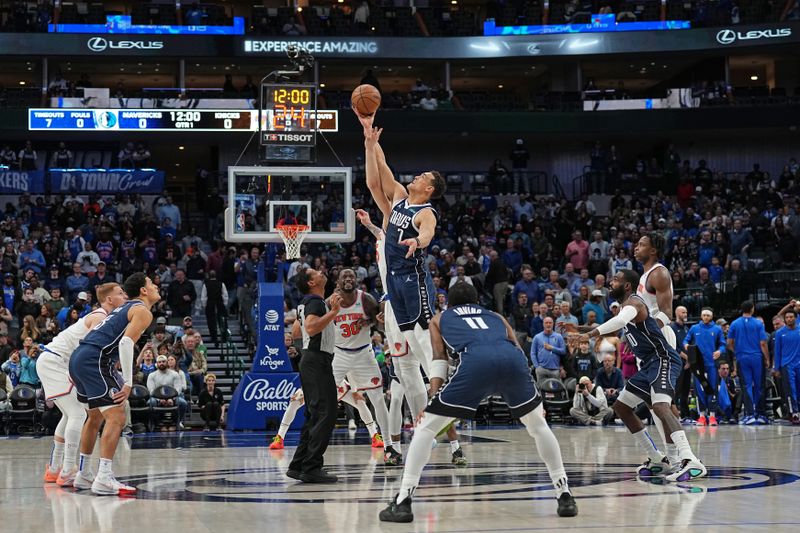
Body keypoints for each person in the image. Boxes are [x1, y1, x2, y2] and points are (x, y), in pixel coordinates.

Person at [378, 283, 577, 522]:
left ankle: (403, 501)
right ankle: (564, 494)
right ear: (476, 301)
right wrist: (531, 396)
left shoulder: (440, 318)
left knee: (426, 428)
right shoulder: (495, 316)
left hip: (475, 363)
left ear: (448, 302)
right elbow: (517, 348)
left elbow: (439, 360)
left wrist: (432, 397)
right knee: (538, 426)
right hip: (512, 361)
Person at [357, 111, 465, 455]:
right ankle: (406, 440)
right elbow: (378, 177)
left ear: (429, 188)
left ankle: (450, 414)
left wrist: (419, 241)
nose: (416, 176)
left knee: (425, 351)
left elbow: (429, 231)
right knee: (403, 372)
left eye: (423, 175)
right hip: (391, 294)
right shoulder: (399, 199)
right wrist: (369, 142)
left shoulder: (425, 211)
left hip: (412, 283)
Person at [576, 269, 706, 482]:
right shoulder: (625, 311)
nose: (611, 282)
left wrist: (589, 334)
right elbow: (615, 325)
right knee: (621, 407)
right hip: (648, 366)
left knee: (662, 406)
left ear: (627, 286)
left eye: (616, 279)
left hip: (663, 359)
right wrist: (579, 327)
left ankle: (690, 460)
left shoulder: (634, 303)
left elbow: (618, 322)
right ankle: (657, 459)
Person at [68, 272, 160, 495]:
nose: (156, 285)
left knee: (95, 416)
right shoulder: (141, 310)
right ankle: (104, 478)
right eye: (151, 283)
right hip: (95, 360)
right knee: (117, 415)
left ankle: (84, 474)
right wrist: (128, 383)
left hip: (80, 357)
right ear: (143, 291)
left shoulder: (125, 308)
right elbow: (127, 343)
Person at [38, 282, 126, 488]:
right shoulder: (101, 317)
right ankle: (68, 469)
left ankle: (54, 469)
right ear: (109, 299)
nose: (125, 297)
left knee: (70, 414)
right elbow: (93, 351)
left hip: (57, 362)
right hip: (56, 361)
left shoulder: (104, 317)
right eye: (120, 293)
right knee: (78, 414)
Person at [329, 268, 398, 463]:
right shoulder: (331, 302)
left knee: (377, 398)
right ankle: (316, 445)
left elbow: (380, 325)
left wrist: (376, 322)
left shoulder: (366, 299)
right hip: (340, 354)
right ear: (339, 281)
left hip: (363, 354)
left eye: (352, 276)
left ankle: (388, 445)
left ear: (357, 280)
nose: (349, 279)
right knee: (325, 397)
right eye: (345, 276)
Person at [287, 268, 342, 484]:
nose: (321, 271)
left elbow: (295, 332)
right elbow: (310, 328)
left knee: (314, 414)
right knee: (326, 414)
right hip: (317, 361)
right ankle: (312, 466)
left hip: (310, 360)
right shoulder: (315, 302)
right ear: (311, 282)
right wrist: (333, 312)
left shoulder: (309, 302)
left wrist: (326, 308)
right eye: (316, 272)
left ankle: (299, 464)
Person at [727, 300, 770, 425]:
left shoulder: (734, 324)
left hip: (742, 358)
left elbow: (729, 343)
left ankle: (749, 415)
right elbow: (763, 343)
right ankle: (760, 414)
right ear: (752, 309)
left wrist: (738, 351)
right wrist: (767, 358)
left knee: (746, 386)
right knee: (759, 385)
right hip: (756, 357)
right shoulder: (758, 323)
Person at [684, 308, 726, 426]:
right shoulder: (694, 328)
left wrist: (719, 351)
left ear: (711, 317)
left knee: (712, 389)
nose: (706, 317)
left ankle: (712, 416)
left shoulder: (717, 329)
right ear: (701, 316)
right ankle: (702, 416)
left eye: (708, 315)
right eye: (704, 315)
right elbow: (685, 340)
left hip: (711, 364)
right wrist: (686, 345)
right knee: (699, 390)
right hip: (698, 364)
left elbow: (723, 344)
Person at [773, 309, 800, 425]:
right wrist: (777, 368)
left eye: (791, 317)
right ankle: (794, 413)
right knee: (790, 390)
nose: (789, 319)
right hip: (787, 365)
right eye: (787, 317)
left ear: (795, 318)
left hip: (798, 364)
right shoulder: (780, 333)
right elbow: (777, 351)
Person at [530, 317, 566, 383]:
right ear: (543, 324)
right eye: (546, 323)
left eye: (550, 323)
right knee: (541, 390)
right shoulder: (537, 337)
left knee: (556, 391)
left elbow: (563, 351)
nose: (548, 324)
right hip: (541, 369)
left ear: (553, 324)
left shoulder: (559, 337)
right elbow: (533, 353)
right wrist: (537, 366)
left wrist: (552, 348)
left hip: (555, 370)